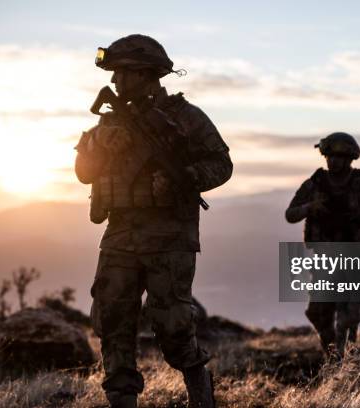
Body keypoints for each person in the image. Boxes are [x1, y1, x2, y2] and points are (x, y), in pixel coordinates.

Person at [75, 34, 233, 408]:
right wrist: (98, 148)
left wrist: (185, 179)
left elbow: (222, 164)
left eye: (123, 74)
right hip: (119, 236)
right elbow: (83, 173)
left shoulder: (185, 118)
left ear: (146, 74)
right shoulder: (109, 121)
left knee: (174, 330)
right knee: (113, 324)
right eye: (113, 74)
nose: (115, 82)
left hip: (169, 239)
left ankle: (201, 394)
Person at [285, 132, 360, 356]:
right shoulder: (315, 184)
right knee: (318, 313)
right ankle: (333, 356)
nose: (333, 161)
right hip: (324, 257)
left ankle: (345, 357)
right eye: (329, 156)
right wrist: (311, 207)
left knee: (349, 312)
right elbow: (290, 214)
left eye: (339, 156)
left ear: (349, 159)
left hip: (353, 256)